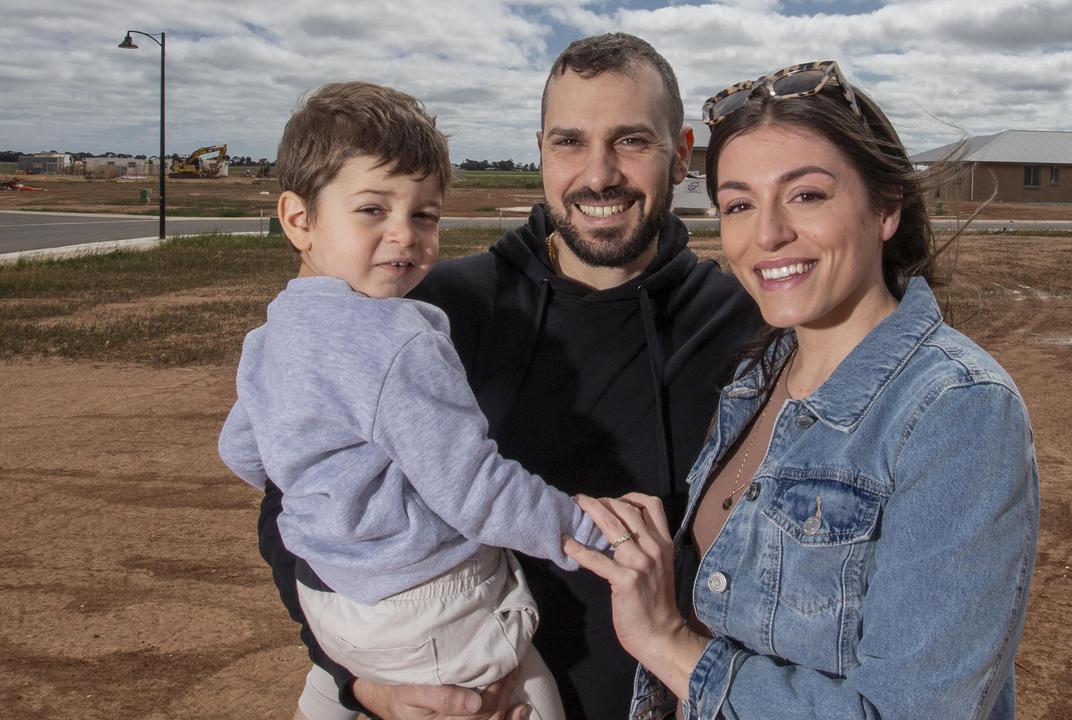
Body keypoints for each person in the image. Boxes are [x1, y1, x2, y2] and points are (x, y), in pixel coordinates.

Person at [256, 35, 761, 720]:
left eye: (632, 141)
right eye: (569, 142)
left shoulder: (747, 328)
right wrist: (365, 687)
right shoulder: (430, 311)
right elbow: (294, 504)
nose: (599, 173)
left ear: (681, 151)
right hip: (434, 686)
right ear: (541, 149)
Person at [567, 60, 1040, 719]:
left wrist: (666, 639)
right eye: (738, 204)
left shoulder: (956, 410)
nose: (767, 235)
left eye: (807, 195)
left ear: (886, 208)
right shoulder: (757, 378)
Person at [219, 81, 613, 720]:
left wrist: (338, 508)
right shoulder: (396, 335)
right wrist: (592, 532)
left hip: (331, 603)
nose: (405, 236)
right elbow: (476, 493)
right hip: (429, 604)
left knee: (337, 690)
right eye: (373, 209)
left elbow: (241, 450)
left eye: (424, 215)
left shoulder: (269, 335)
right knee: (532, 695)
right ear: (299, 219)